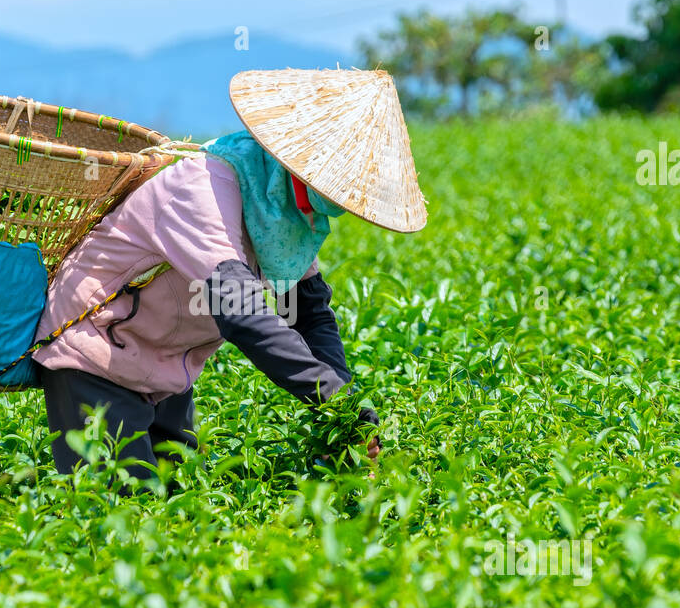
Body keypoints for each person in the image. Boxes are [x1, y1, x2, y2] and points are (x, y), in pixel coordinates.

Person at [32, 68, 428, 477]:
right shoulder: (201, 188)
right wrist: (329, 397)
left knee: (178, 507)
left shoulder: (282, 213)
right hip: (96, 354)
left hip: (168, 370)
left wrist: (343, 411)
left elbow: (308, 310)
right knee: (120, 513)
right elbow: (241, 310)